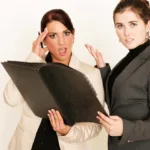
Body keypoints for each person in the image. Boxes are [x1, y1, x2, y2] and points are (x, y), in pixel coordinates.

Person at [3, 9, 107, 150]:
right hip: (27, 145)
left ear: (73, 34)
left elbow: (95, 125)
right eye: (53, 36)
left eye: (66, 33)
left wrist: (67, 131)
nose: (62, 42)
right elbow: (11, 99)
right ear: (43, 39)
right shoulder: (35, 68)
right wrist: (33, 57)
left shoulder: (90, 74)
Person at [87, 0, 150, 150]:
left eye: (133, 24)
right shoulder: (132, 56)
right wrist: (103, 69)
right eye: (120, 26)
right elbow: (118, 100)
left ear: (148, 25)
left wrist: (125, 129)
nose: (126, 33)